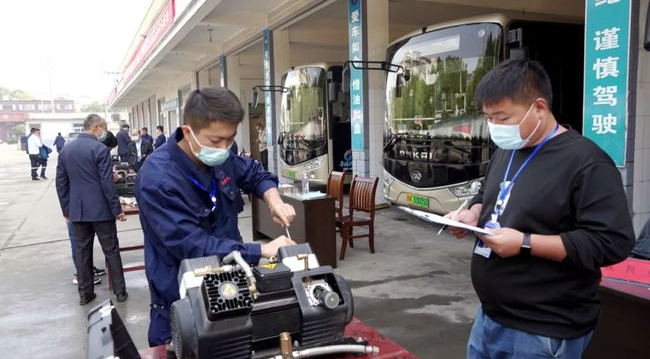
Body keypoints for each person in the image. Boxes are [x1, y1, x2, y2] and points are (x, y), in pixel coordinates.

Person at [445, 59, 635, 359]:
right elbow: (488, 194)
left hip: (544, 329)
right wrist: (472, 212)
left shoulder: (586, 163)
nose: (495, 127)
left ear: (539, 107)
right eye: (488, 117)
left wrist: (524, 243)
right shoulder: (507, 151)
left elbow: (612, 242)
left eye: (503, 117)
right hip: (490, 317)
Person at [135, 87, 297, 347]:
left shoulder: (220, 157)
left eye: (230, 140)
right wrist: (263, 249)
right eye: (215, 141)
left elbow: (256, 174)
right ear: (188, 132)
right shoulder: (158, 179)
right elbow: (193, 246)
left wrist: (274, 200)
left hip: (231, 287)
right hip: (182, 301)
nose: (224, 148)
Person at [56, 114, 129, 306]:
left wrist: (66, 210)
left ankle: (85, 294)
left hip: (77, 211)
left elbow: (61, 184)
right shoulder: (99, 149)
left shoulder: (66, 150)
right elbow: (107, 183)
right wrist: (117, 210)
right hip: (101, 211)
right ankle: (120, 292)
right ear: (96, 128)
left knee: (82, 253)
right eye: (103, 128)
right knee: (111, 250)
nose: (104, 133)